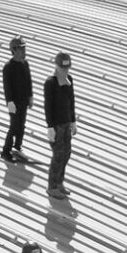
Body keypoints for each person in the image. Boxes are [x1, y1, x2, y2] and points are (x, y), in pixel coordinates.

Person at [43, 52, 76, 198]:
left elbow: (71, 102)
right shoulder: (50, 83)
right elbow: (48, 106)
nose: (66, 71)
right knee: (58, 155)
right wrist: (50, 127)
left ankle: (60, 182)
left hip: (66, 123)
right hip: (56, 126)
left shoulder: (69, 80)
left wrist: (73, 121)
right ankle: (52, 186)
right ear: (56, 66)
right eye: (63, 69)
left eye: (67, 68)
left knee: (67, 154)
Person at [1, 37, 33, 163]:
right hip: (13, 103)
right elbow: (7, 87)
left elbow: (29, 81)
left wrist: (30, 96)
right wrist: (10, 102)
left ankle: (17, 148)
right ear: (13, 50)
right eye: (21, 48)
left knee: (21, 125)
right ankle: (5, 151)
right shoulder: (8, 67)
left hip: (23, 101)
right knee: (14, 126)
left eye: (24, 48)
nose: (23, 51)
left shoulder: (25, 63)